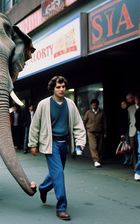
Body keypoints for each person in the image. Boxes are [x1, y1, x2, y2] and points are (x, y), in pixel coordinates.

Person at [28, 76, 86, 221]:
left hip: (63, 143)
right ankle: (61, 208)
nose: (61, 89)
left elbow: (78, 125)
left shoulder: (70, 104)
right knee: (59, 173)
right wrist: (33, 144)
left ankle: (43, 188)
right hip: (50, 143)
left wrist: (80, 141)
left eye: (63, 87)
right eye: (58, 87)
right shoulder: (44, 104)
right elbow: (35, 125)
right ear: (52, 88)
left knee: (56, 173)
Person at [83, 99, 107, 167]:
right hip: (91, 132)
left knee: (99, 146)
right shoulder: (88, 112)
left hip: (100, 131)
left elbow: (104, 123)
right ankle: (96, 160)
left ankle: (97, 158)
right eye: (93, 105)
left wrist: (105, 132)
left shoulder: (102, 113)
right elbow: (84, 121)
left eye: (95, 105)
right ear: (91, 105)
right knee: (93, 146)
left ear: (97, 105)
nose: (94, 106)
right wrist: (83, 130)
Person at [127, 93, 140, 168]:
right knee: (134, 151)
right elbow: (128, 120)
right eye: (136, 100)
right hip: (132, 131)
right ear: (134, 100)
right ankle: (136, 166)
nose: (137, 101)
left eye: (139, 100)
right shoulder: (130, 108)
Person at [119, 100, 132, 165]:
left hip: (128, 130)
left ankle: (130, 159)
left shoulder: (128, 111)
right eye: (121, 104)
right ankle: (127, 159)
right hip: (124, 131)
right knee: (125, 145)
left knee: (129, 145)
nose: (123, 105)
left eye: (124, 104)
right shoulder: (121, 112)